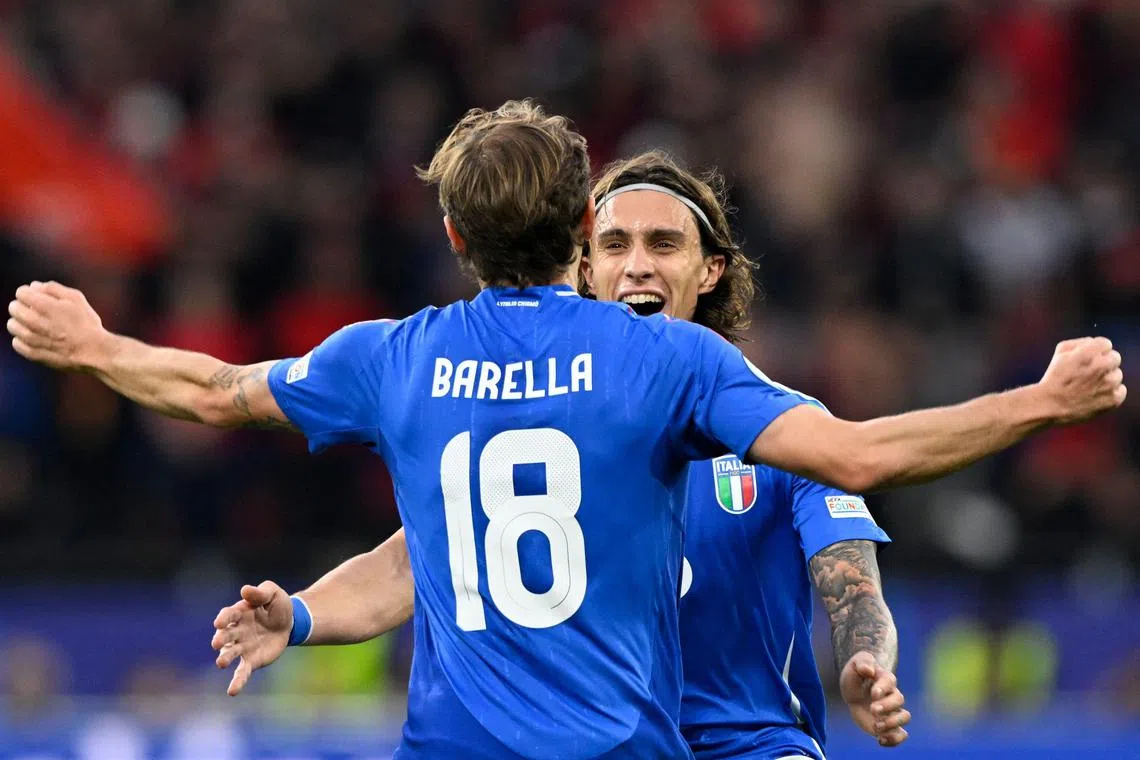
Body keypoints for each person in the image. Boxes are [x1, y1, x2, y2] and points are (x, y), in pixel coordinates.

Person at [5, 101, 1126, 759]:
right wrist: (1042, 401)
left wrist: (94, 344)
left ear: (450, 230)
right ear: (583, 234)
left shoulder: (392, 356)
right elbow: (861, 454)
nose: (640, 264)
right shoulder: (670, 366)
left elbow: (212, 392)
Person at [207, 151, 908, 760]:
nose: (636, 265)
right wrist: (298, 615)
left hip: (746, 742)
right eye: (613, 245)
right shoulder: (535, 421)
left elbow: (852, 586)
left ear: (711, 269)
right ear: (582, 264)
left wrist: (865, 659)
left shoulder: (793, 433)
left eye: (663, 244)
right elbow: (410, 564)